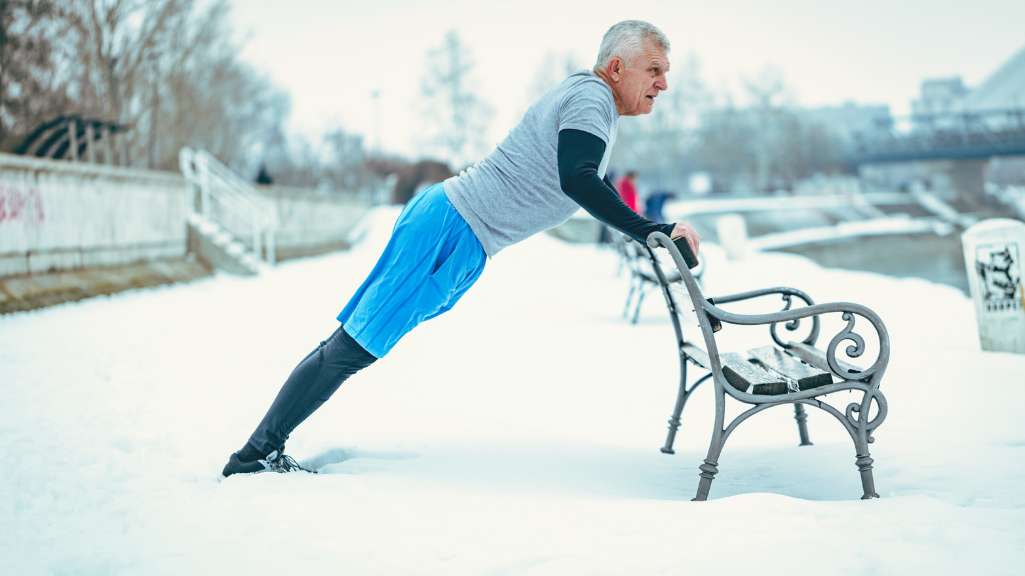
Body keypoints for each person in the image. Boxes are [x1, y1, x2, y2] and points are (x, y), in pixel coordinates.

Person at [220, 20, 702, 478]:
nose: (662, 83)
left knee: (357, 344)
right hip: (451, 229)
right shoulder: (592, 97)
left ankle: (262, 448)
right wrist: (650, 229)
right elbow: (577, 178)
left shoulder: (590, 98)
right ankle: (254, 454)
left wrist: (647, 230)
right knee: (353, 346)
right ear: (617, 68)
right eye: (654, 69)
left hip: (458, 230)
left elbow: (582, 178)